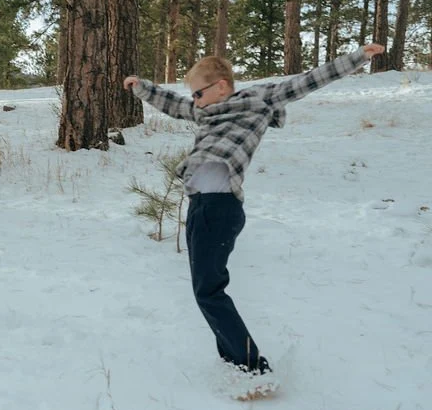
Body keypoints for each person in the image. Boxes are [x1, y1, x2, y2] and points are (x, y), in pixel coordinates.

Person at [123, 43, 385, 381]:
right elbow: (174, 105)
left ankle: (251, 368)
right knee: (205, 288)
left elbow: (309, 80)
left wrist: (358, 57)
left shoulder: (258, 100)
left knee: (209, 291)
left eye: (199, 93)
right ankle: (234, 361)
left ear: (221, 85)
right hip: (200, 206)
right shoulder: (204, 110)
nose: (196, 101)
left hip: (220, 206)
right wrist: (142, 88)